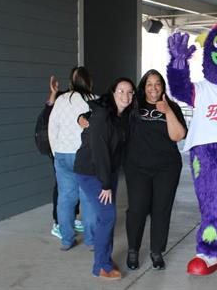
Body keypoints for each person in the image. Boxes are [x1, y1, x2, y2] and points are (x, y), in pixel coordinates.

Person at [74, 77, 137, 280]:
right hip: (91, 172)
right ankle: (100, 266)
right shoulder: (102, 115)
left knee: (107, 217)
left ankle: (105, 260)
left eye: (129, 92)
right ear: (112, 93)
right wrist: (106, 184)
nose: (125, 95)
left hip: (107, 171)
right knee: (107, 216)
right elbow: (99, 151)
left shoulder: (123, 115)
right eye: (121, 91)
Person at [124, 69, 187, 271]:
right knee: (136, 209)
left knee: (161, 210)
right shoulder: (134, 107)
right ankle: (133, 250)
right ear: (143, 87)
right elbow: (111, 113)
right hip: (137, 167)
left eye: (157, 83)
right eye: (149, 84)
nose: (153, 88)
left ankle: (156, 252)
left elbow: (178, 136)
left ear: (162, 86)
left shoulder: (173, 107)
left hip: (166, 168)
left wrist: (167, 111)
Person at [48, 67, 96, 251]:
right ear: (89, 81)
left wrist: (55, 152)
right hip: (84, 156)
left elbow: (53, 127)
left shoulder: (61, 100)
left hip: (62, 154)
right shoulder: (94, 101)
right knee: (88, 199)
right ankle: (91, 241)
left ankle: (67, 240)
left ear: (71, 82)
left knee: (66, 198)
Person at [37, 75, 83, 239]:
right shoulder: (62, 97)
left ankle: (71, 218)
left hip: (72, 150)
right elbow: (48, 110)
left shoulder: (82, 98)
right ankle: (58, 222)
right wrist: (53, 93)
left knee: (73, 187)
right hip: (60, 149)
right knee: (63, 188)